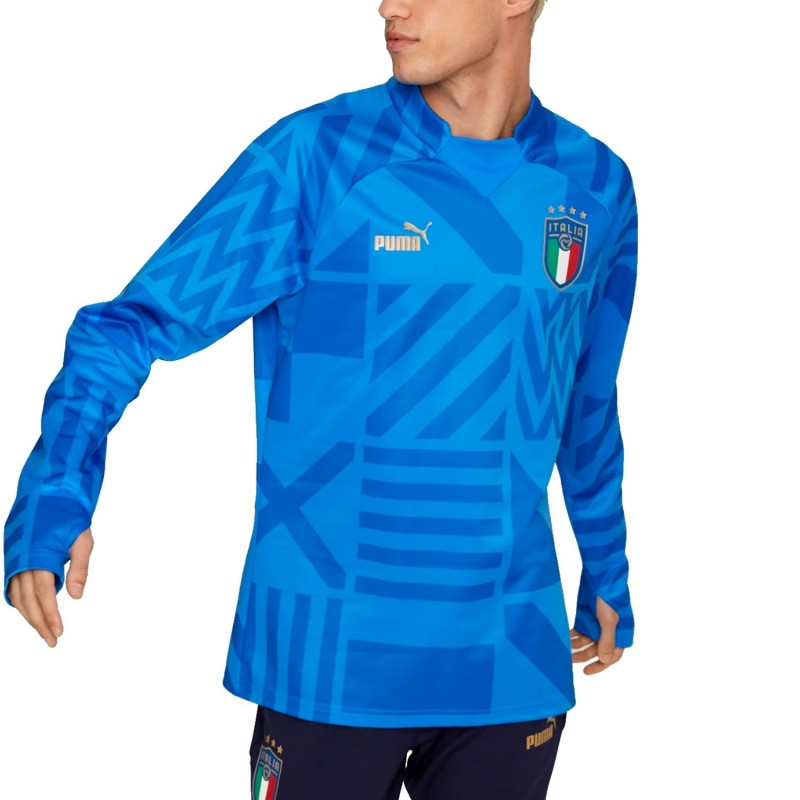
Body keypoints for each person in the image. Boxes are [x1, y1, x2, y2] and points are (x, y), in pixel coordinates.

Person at [3, 0, 637, 797]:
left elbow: (585, 399)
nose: (389, 6)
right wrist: (54, 493)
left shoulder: (596, 184)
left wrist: (605, 565)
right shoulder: (318, 159)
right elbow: (128, 327)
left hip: (511, 660)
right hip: (328, 660)